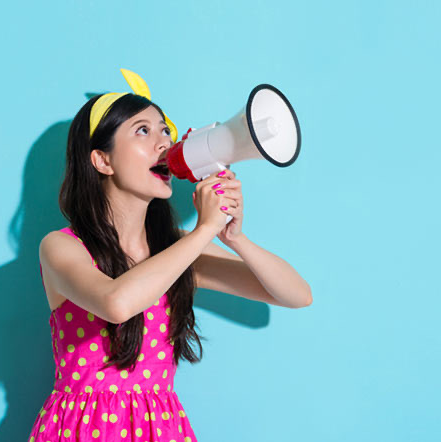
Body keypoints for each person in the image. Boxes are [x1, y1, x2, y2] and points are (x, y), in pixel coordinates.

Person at [27, 69, 312, 441]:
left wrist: (235, 238)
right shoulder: (62, 246)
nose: (164, 142)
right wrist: (204, 230)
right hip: (82, 429)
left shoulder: (178, 248)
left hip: (159, 429)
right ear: (102, 160)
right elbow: (116, 303)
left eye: (166, 131)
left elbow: (297, 295)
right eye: (143, 130)